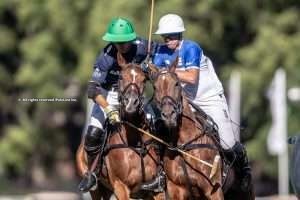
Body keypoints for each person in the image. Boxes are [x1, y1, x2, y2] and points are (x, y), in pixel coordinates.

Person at [140, 13, 252, 193]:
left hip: (208, 98)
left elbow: (192, 77)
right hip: (180, 101)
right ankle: (160, 175)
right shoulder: (160, 53)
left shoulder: (191, 48)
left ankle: (242, 173)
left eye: (172, 36)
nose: (168, 40)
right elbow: (158, 80)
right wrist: (147, 70)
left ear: (180, 35)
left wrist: (161, 71)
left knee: (228, 143)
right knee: (157, 133)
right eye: (165, 36)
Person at [78, 17, 156, 192]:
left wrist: (152, 64)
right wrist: (108, 109)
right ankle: (92, 174)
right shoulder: (106, 56)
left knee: (156, 124)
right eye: (117, 42)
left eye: (124, 41)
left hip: (135, 92)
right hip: (109, 95)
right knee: (92, 133)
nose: (120, 45)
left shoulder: (144, 47)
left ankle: (161, 172)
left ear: (131, 38)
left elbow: (162, 58)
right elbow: (92, 90)